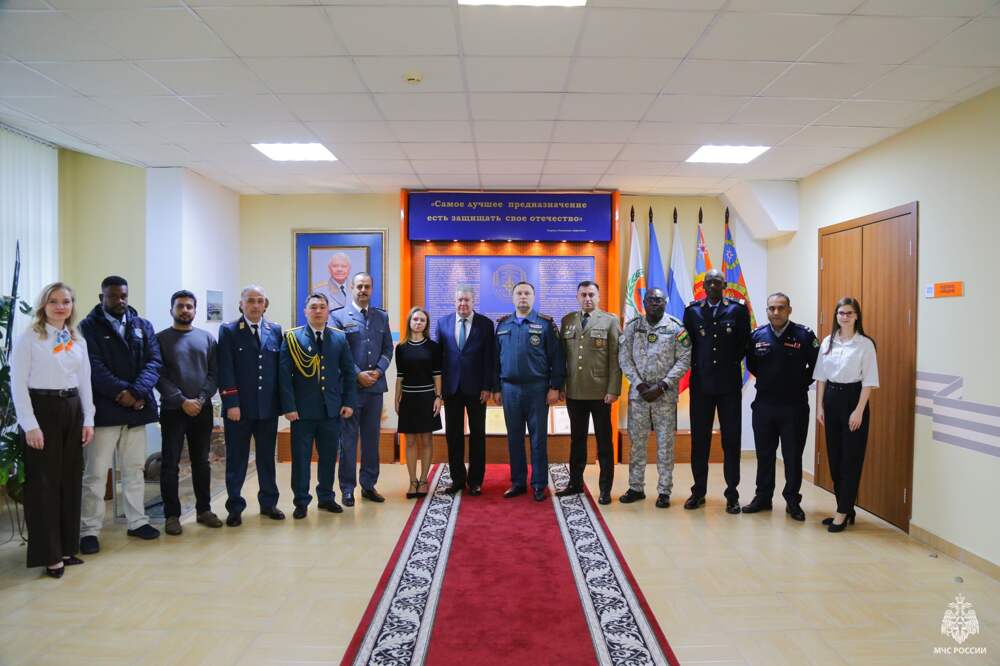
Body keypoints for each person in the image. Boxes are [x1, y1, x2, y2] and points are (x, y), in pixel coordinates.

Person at [11, 283, 95, 578]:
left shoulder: (76, 339)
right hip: (42, 410)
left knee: (70, 481)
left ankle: (66, 547)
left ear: (72, 305)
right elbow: (17, 384)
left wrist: (88, 419)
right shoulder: (30, 338)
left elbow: (85, 381)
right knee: (44, 485)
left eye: (66, 301)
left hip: (72, 409)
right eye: (54, 302)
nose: (60, 307)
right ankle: (49, 555)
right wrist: (30, 425)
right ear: (43, 306)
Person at [78, 275, 162, 553]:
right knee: (96, 474)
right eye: (113, 296)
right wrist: (121, 393)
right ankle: (89, 530)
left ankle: (137, 522)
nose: (120, 300)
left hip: (136, 409)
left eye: (123, 295)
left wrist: (136, 393)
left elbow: (154, 362)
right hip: (104, 410)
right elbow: (93, 366)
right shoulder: (87, 327)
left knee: (134, 470)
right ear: (101, 297)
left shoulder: (142, 325)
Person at [279, 293, 357, 519]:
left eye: (322, 307)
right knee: (301, 459)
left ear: (328, 311)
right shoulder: (292, 337)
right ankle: (301, 501)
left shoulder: (339, 338)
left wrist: (349, 402)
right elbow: (284, 376)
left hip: (330, 410)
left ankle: (326, 497)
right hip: (301, 412)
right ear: (305, 311)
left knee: (329, 457)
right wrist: (289, 407)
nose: (318, 311)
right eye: (313, 307)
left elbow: (349, 373)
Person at [743, 293, 818, 521]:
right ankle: (763, 498)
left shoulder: (804, 335)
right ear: (767, 310)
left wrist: (798, 383)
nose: (776, 312)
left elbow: (817, 365)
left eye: (781, 308)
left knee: (792, 456)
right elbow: (752, 364)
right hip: (764, 405)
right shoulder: (757, 335)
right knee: (764, 454)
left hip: (794, 406)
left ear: (789, 310)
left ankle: (792, 501)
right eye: (772, 308)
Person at [683, 268, 751, 514]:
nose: (713, 285)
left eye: (717, 282)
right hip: (701, 385)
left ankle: (732, 494)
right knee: (699, 440)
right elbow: (687, 345)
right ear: (703, 286)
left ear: (724, 285)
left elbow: (745, 343)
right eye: (709, 282)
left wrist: (727, 363)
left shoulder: (738, 310)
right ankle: (698, 492)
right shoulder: (692, 311)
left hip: (728, 385)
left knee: (731, 440)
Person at [155, 290, 222, 535]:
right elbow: (158, 375)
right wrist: (182, 400)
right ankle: (172, 515)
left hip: (201, 410)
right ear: (171, 309)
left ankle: (204, 510)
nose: (185, 310)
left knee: (201, 462)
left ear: (195, 310)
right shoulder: (160, 339)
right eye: (180, 306)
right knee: (170, 463)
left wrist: (200, 399)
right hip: (173, 410)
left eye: (189, 306)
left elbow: (214, 374)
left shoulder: (207, 339)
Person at [217, 285, 285, 526]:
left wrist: (282, 404)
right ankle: (235, 507)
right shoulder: (229, 330)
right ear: (241, 304)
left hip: (267, 408)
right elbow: (225, 368)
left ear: (265, 304)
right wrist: (231, 403)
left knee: (267, 458)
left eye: (260, 301)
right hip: (239, 409)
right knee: (237, 459)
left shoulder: (274, 330)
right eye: (250, 301)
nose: (255, 305)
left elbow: (279, 370)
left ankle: (269, 503)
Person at [619, 288, 691, 508]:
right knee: (637, 444)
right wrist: (640, 385)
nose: (654, 303)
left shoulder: (676, 327)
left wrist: (663, 385)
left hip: (665, 397)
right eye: (651, 300)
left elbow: (685, 358)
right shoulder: (633, 327)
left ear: (665, 302)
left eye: (659, 300)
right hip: (639, 396)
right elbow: (624, 357)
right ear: (644, 302)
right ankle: (636, 487)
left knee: (665, 445)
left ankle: (664, 491)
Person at [493, 281, 565, 502]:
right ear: (513, 297)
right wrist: (496, 388)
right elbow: (495, 360)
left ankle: (539, 484)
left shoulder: (545, 324)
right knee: (514, 438)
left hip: (537, 389)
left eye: (527, 293)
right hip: (510, 389)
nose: (523, 296)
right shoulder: (503, 325)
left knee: (538, 439)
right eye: (519, 293)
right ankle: (518, 482)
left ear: (533, 297)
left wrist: (555, 387)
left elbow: (557, 358)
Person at [813, 296, 878, 533]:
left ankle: (841, 512)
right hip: (831, 399)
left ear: (857, 316)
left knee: (851, 459)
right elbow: (821, 377)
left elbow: (869, 381)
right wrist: (820, 407)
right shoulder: (828, 341)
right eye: (841, 313)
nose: (845, 317)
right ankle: (846, 506)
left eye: (849, 313)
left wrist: (858, 411)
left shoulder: (865, 344)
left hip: (853, 400)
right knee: (835, 458)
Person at [330, 272, 393, 505]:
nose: (363, 290)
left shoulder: (381, 316)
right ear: (351, 288)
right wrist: (357, 374)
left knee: (371, 440)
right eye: (359, 286)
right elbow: (339, 351)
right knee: (347, 442)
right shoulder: (338, 316)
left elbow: (388, 348)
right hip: (350, 390)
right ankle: (347, 489)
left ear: (371, 289)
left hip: (374, 388)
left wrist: (378, 371)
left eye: (367, 286)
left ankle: (369, 485)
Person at [558, 281, 622, 505]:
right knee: (577, 440)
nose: (587, 298)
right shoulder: (567, 320)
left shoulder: (610, 321)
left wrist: (613, 389)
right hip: (575, 391)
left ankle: (605, 489)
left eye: (591, 294)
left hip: (600, 393)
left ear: (598, 296)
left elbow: (616, 359)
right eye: (583, 294)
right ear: (577, 297)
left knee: (604, 442)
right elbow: (562, 358)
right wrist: (561, 386)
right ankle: (575, 483)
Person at [435, 286, 495, 496]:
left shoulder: (485, 324)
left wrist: (487, 386)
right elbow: (439, 358)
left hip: (477, 389)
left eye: (467, 300)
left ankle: (475, 481)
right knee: (453, 435)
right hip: (451, 388)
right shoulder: (442, 323)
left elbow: (489, 358)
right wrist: (438, 390)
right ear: (454, 301)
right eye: (460, 300)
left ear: (473, 301)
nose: (463, 303)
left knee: (478, 435)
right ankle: (457, 479)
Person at [394, 307, 443, 499]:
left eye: (422, 320)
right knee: (410, 441)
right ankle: (412, 481)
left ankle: (423, 480)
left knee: (426, 440)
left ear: (426, 324)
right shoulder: (401, 348)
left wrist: (438, 397)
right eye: (415, 319)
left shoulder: (433, 347)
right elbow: (399, 376)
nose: (418, 322)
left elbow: (437, 374)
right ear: (409, 322)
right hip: (408, 398)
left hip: (427, 398)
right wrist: (396, 398)